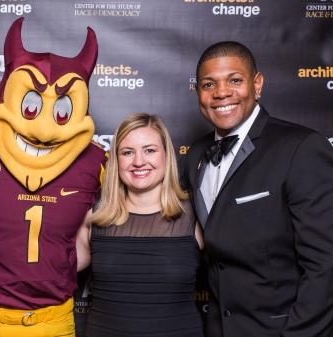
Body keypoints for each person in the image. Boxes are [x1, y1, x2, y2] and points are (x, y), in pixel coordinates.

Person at [0, 18, 106, 336]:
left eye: (61, 111)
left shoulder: (97, 160)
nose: (44, 131)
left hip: (56, 320)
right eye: (31, 106)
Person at [182, 41, 333, 336]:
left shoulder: (301, 148)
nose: (221, 92)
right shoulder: (195, 155)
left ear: (257, 84)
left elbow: (326, 266)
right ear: (198, 92)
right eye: (208, 84)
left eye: (234, 80)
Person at [77, 113, 205, 337]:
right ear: (116, 161)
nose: (138, 161)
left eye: (150, 150)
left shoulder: (196, 217)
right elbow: (51, 271)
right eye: (128, 152)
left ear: (167, 155)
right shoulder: (94, 218)